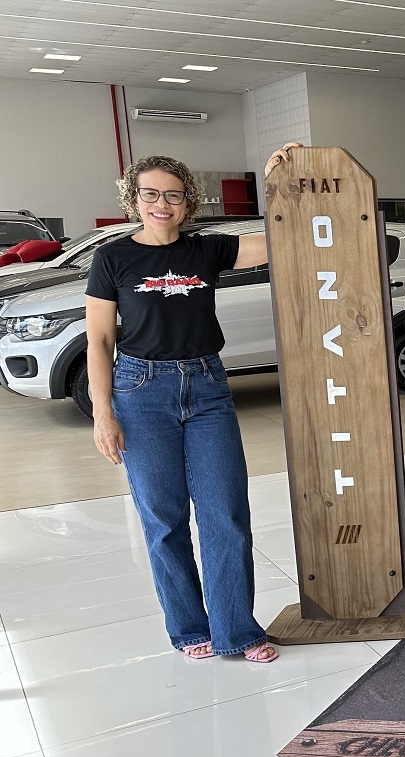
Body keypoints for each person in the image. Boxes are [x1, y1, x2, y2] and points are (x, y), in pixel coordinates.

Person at [87, 143, 303, 662]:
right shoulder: (112, 258)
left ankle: (238, 631)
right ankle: (188, 629)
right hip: (140, 392)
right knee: (164, 520)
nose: (162, 204)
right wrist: (102, 413)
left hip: (206, 388)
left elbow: (281, 234)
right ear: (134, 199)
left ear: (188, 203)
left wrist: (279, 178)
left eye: (173, 196)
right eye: (151, 194)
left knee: (226, 512)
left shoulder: (207, 251)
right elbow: (99, 340)